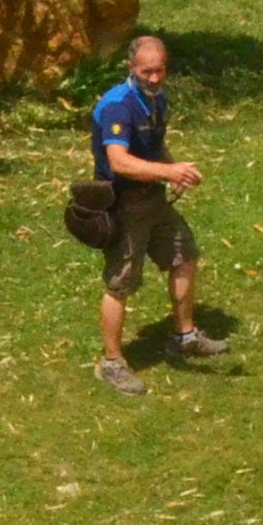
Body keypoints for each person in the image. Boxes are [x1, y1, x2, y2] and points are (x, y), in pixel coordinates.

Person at [88, 33, 228, 394]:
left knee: (184, 256)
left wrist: (171, 167)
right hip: (125, 204)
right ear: (131, 68)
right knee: (122, 283)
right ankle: (112, 363)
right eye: (147, 71)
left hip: (153, 198)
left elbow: (153, 146)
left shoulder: (156, 99)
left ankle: (185, 336)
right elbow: (119, 162)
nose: (154, 78)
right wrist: (168, 172)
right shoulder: (118, 105)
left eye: (160, 70)